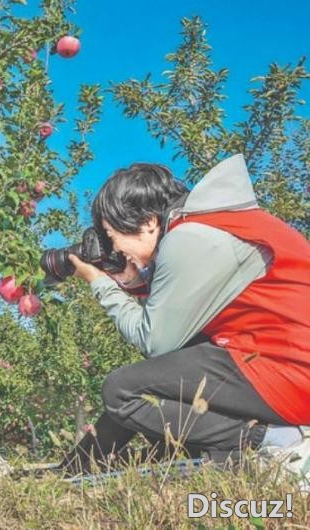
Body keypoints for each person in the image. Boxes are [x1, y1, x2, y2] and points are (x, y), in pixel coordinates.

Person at [61, 154, 310, 485]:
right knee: (157, 381)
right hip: (279, 361)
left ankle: (277, 442)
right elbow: (176, 329)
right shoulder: (214, 224)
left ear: (149, 221)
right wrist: (134, 283)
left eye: (112, 234)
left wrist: (99, 282)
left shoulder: (188, 236)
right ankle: (77, 468)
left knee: (121, 391)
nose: (116, 249)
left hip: (290, 372)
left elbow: (155, 341)